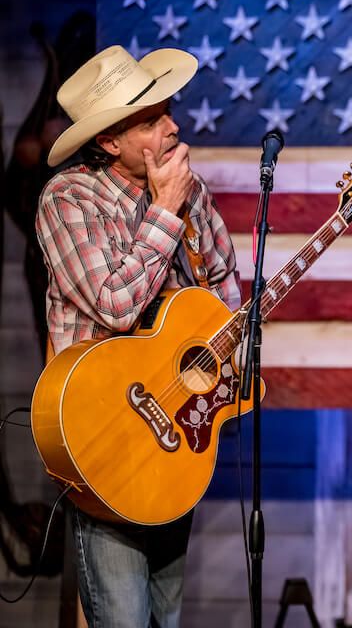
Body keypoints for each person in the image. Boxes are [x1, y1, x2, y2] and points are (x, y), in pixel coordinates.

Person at [34, 44, 240, 627]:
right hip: (108, 437)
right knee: (122, 617)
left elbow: (223, 294)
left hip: (174, 431)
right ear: (108, 142)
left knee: (165, 618)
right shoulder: (69, 199)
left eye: (167, 111)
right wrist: (165, 210)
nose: (172, 126)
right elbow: (115, 306)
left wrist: (222, 370)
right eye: (150, 120)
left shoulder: (192, 192)